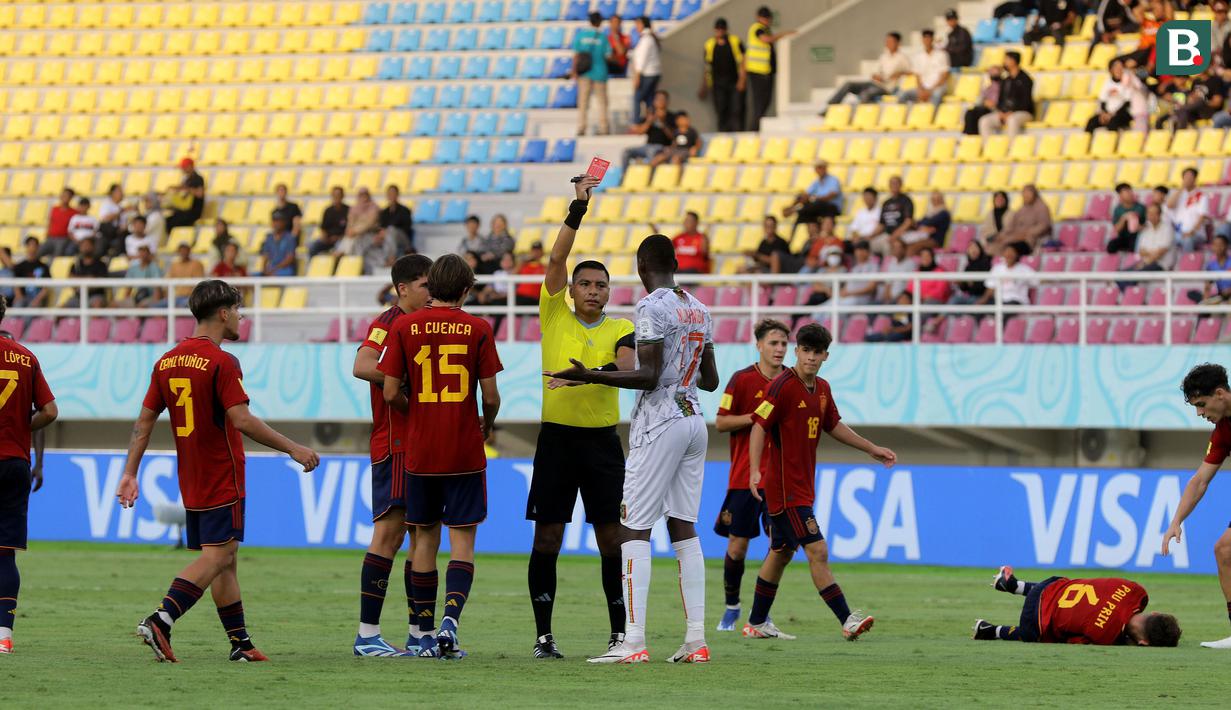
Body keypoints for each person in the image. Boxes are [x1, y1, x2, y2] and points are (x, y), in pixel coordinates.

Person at [117, 280, 320, 663]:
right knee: (219, 555)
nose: (242, 318)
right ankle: (162, 618)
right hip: (221, 473)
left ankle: (240, 643)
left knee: (225, 557)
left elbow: (144, 422)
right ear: (223, 313)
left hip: (191, 475)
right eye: (239, 311)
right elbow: (241, 420)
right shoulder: (222, 361)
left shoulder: (167, 361)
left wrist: (130, 472)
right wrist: (293, 447)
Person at [549, 234, 718, 665]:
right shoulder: (700, 308)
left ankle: (634, 640)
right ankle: (696, 639)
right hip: (694, 418)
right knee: (684, 526)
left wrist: (592, 376)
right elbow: (711, 378)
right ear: (675, 263)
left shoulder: (650, 307)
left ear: (643, 265)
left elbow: (647, 375)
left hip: (659, 422)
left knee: (633, 528)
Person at [526, 177, 636, 660]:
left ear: (610, 292)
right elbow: (554, 259)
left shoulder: (623, 326)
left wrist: (583, 376)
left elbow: (629, 369)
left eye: (601, 284)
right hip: (556, 442)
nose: (593, 290)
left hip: (602, 444)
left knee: (611, 538)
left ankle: (619, 634)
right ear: (570, 289)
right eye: (585, 283)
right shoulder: (555, 316)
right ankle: (544, 636)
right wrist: (577, 208)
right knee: (547, 536)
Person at [377, 255, 503, 659]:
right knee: (462, 540)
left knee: (425, 540)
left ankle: (425, 635)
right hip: (464, 450)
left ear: (432, 287)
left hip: (421, 452)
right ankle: (451, 622)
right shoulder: (479, 328)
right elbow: (492, 396)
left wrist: (420, 416)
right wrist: (486, 423)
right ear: (466, 289)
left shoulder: (403, 327)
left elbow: (391, 392)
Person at [743, 324, 895, 640]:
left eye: (817, 352)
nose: (811, 358)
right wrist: (755, 470)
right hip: (784, 490)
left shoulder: (822, 388)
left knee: (782, 552)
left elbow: (833, 425)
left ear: (826, 355)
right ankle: (846, 620)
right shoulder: (782, 386)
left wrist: (871, 448)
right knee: (818, 550)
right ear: (797, 351)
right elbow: (759, 426)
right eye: (806, 351)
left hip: (802, 487)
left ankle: (757, 622)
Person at [350, 254, 433, 658]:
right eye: (424, 285)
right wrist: (403, 381)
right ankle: (367, 635)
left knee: (420, 534)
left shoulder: (424, 325)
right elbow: (362, 365)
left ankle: (419, 634)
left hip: (419, 443)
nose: (431, 292)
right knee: (391, 532)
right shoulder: (388, 323)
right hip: (395, 443)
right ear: (403, 289)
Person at [712, 319, 789, 633]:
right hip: (744, 477)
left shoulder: (792, 382)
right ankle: (732, 607)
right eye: (773, 343)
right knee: (737, 547)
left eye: (784, 343)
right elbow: (721, 422)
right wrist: (756, 417)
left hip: (780, 481)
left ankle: (761, 616)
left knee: (780, 548)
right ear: (759, 345)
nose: (780, 349)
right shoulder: (741, 380)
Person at [0, 294, 58, 655]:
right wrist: (24, 429)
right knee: (5, 555)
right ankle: (3, 634)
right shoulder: (26, 357)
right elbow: (50, 411)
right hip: (14, 464)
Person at [1165, 363, 1231, 648]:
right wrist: (1176, 520)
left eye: (1202, 405)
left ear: (1220, 394)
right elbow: (1200, 481)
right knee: (1224, 550)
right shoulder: (1223, 430)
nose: (1200, 413)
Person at [973, 566, 1180, 646]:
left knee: (1069, 588)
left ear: (1154, 612)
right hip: (1033, 620)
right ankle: (991, 631)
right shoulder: (1105, 637)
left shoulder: (1137, 592)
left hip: (1050, 584)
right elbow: (1071, 640)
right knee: (1047, 634)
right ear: (1143, 643)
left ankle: (1013, 585)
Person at [745, 6, 795, 130]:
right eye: (764, 18)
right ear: (758, 17)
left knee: (765, 102)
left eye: (767, 18)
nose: (766, 20)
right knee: (759, 103)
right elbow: (766, 40)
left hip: (766, 71)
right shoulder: (757, 29)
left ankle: (758, 127)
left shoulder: (766, 29)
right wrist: (784, 34)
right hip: (757, 72)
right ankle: (754, 129)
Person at [828, 32, 911, 106]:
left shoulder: (902, 58)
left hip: (887, 88)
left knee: (866, 94)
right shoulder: (883, 56)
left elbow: (911, 72)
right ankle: (830, 107)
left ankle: (862, 116)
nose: (887, 44)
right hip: (874, 83)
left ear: (898, 43)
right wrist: (876, 75)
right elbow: (875, 71)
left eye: (890, 41)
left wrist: (900, 73)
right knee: (849, 84)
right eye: (887, 41)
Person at [700, 18, 746, 132]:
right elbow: (707, 67)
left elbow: (742, 62)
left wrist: (742, 80)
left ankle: (738, 132)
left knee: (736, 109)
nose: (720, 32)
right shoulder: (709, 44)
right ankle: (722, 134)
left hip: (734, 82)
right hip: (717, 83)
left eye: (722, 29)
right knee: (721, 109)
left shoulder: (735, 41)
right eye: (718, 29)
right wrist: (704, 86)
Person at [978, 51, 1034, 137]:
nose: (1004, 62)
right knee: (984, 121)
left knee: (1012, 120)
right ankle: (989, 148)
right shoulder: (1005, 80)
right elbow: (1001, 100)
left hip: (1023, 112)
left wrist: (1011, 112)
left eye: (1006, 59)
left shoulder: (1025, 80)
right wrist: (1001, 112)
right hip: (1005, 112)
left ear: (1013, 61)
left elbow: (1026, 102)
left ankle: (1012, 148)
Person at [573, 12, 611, 136]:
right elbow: (608, 55)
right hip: (600, 72)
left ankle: (581, 127)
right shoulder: (602, 37)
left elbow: (576, 55)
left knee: (583, 102)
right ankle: (604, 127)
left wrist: (574, 71)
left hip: (584, 73)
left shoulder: (581, 35)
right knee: (602, 102)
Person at [1087, 59, 1148, 133]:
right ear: (1111, 70)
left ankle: (1110, 143)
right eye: (1116, 67)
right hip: (1109, 113)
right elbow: (1103, 100)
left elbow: (1127, 103)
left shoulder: (1127, 80)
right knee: (1091, 122)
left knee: (1113, 123)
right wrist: (1104, 113)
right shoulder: (1107, 82)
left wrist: (1113, 114)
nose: (1119, 70)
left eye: (1120, 67)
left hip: (1122, 113)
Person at [783, 162, 843, 235]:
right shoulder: (816, 183)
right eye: (818, 168)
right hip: (818, 207)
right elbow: (806, 195)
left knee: (813, 205)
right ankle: (796, 209)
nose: (820, 170)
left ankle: (796, 210)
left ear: (825, 168)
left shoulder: (833, 180)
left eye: (821, 167)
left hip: (831, 207)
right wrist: (796, 202)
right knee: (808, 210)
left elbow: (832, 195)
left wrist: (816, 198)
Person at [622, 91, 675, 169]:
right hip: (647, 146)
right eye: (657, 99)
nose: (660, 101)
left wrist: (663, 122)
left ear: (667, 102)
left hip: (662, 147)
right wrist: (649, 121)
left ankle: (650, 178)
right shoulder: (650, 116)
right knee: (626, 152)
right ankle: (624, 177)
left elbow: (673, 136)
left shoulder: (671, 116)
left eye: (662, 99)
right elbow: (640, 132)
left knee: (652, 152)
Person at [1168, 65, 1227, 130]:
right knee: (1178, 112)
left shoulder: (1215, 80)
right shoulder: (1196, 82)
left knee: (1198, 102)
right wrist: (1192, 99)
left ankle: (1181, 131)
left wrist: (1202, 101)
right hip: (1195, 111)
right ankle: (1179, 135)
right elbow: (1191, 99)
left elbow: (1217, 103)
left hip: (1209, 111)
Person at [899, 29, 950, 105]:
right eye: (925, 38)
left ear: (932, 39)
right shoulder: (918, 57)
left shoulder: (942, 54)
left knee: (936, 95)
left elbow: (944, 75)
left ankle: (931, 116)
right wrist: (920, 90)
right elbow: (918, 76)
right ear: (922, 40)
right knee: (903, 95)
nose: (927, 40)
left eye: (929, 38)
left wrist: (931, 90)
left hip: (937, 87)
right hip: (923, 88)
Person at [869, 176, 913, 258]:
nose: (894, 185)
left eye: (896, 183)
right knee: (867, 245)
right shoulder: (886, 203)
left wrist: (894, 236)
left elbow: (908, 222)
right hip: (886, 234)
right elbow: (881, 225)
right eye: (892, 183)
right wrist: (870, 236)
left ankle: (888, 269)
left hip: (902, 234)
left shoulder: (906, 200)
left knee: (888, 245)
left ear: (901, 185)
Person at [980, 240, 1035, 306]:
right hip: (998, 301)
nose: (1009, 254)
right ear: (1003, 254)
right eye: (1007, 251)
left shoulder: (1025, 269)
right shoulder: (997, 268)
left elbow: (1038, 281)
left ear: (1017, 254)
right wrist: (983, 300)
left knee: (1009, 306)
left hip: (1016, 301)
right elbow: (990, 288)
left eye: (1012, 252)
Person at [1167, 167, 1209, 253]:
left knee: (1187, 240)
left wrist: (1192, 232)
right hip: (1179, 233)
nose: (1187, 180)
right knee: (1165, 240)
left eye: (1190, 177)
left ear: (1195, 179)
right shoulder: (1179, 195)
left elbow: (1202, 217)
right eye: (1185, 177)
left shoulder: (1201, 196)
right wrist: (1181, 189)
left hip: (1196, 233)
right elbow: (1169, 205)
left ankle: (1187, 264)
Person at [999, 185, 1052, 251]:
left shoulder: (1042, 208)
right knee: (998, 243)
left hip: (1033, 239)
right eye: (1024, 194)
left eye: (1028, 194)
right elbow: (1011, 225)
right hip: (1017, 236)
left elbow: (1044, 225)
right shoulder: (1021, 209)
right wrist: (1002, 234)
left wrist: (1027, 233)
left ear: (1034, 194)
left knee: (1011, 248)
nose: (1025, 196)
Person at [629, 16, 662, 125]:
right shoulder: (649, 38)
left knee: (637, 98)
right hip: (652, 73)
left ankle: (636, 122)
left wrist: (637, 76)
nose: (636, 27)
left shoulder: (646, 39)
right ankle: (650, 121)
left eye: (638, 24)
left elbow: (642, 59)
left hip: (647, 74)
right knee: (649, 99)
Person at [900, 191, 951, 255]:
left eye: (937, 199)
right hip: (924, 237)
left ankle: (908, 263)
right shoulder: (931, 212)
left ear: (941, 200)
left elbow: (927, 223)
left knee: (915, 246)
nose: (935, 201)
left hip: (935, 240)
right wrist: (923, 227)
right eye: (933, 199)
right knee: (902, 244)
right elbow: (921, 223)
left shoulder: (944, 213)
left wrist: (923, 226)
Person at [165, 157, 206, 230]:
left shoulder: (198, 178)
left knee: (171, 223)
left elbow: (200, 194)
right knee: (167, 220)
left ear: (190, 166)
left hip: (193, 211)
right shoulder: (187, 179)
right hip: (184, 210)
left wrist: (187, 189)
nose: (182, 169)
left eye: (184, 167)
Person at [66, 237, 108, 308]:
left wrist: (79, 281)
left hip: (96, 296)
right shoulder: (76, 265)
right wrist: (89, 279)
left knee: (97, 304)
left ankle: (94, 319)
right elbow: (71, 279)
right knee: (62, 309)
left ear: (93, 247)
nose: (86, 247)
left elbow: (98, 282)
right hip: (78, 296)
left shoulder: (101, 265)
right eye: (83, 245)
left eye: (88, 245)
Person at [949, 240, 993, 305]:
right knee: (954, 299)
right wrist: (960, 283)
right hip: (969, 297)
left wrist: (972, 283)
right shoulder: (968, 267)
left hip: (980, 297)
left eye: (975, 247)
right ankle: (941, 315)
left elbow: (987, 285)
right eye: (970, 248)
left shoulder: (986, 264)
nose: (973, 250)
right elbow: (965, 288)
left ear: (980, 249)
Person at [163, 243, 206, 308]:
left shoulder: (197, 264)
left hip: (190, 297)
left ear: (189, 251)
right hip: (176, 298)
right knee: (156, 306)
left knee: (182, 306)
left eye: (185, 250)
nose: (183, 252)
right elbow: (167, 282)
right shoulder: (174, 265)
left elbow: (199, 285)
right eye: (181, 250)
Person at [963, 66, 1003, 135]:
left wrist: (993, 104)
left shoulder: (1003, 85)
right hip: (985, 107)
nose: (993, 74)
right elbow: (980, 99)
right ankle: (971, 135)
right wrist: (984, 102)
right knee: (970, 112)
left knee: (975, 114)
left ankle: (972, 135)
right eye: (991, 72)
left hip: (994, 109)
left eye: (995, 72)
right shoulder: (988, 87)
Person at [1108, 183, 1146, 253]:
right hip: (1123, 237)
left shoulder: (1141, 207)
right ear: (1120, 195)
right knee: (1111, 246)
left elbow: (1147, 225)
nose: (1130, 194)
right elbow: (1117, 229)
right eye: (1126, 192)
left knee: (1134, 245)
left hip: (1137, 236)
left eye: (1130, 191)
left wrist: (1138, 226)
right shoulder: (1118, 209)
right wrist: (1124, 218)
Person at [11, 238, 49, 309]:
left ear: (38, 247)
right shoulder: (19, 266)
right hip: (22, 298)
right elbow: (15, 285)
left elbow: (45, 288)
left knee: (30, 311)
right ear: (26, 247)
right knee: (17, 306)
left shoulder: (44, 267)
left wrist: (37, 300)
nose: (32, 248)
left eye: (34, 245)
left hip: (37, 299)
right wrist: (19, 297)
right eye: (30, 245)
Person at [342, 187, 381, 256]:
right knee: (348, 239)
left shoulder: (374, 207)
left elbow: (369, 223)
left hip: (369, 233)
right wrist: (349, 230)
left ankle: (345, 255)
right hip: (354, 234)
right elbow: (350, 222)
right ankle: (343, 255)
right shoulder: (354, 208)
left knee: (356, 241)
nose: (363, 197)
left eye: (365, 194)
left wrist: (355, 231)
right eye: (361, 195)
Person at [878, 238, 917, 304]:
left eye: (899, 247)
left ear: (904, 249)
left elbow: (910, 286)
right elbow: (888, 283)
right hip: (890, 298)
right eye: (894, 247)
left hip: (902, 299)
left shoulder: (911, 264)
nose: (896, 250)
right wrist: (886, 296)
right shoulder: (891, 264)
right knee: (872, 305)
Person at [41, 188, 77, 258]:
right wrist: (47, 233)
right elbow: (50, 222)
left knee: (57, 256)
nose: (65, 197)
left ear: (71, 198)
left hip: (63, 239)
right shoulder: (54, 209)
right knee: (38, 251)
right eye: (64, 195)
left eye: (67, 196)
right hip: (51, 238)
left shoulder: (74, 212)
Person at [379, 184, 414, 256]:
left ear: (397, 194)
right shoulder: (384, 212)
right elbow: (382, 227)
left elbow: (407, 228)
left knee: (391, 230)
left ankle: (391, 257)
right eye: (389, 194)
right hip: (388, 236)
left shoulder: (404, 210)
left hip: (403, 238)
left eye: (393, 193)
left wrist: (388, 230)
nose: (391, 195)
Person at [315, 186, 349, 257]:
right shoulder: (327, 211)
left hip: (342, 239)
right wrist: (325, 237)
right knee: (312, 246)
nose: (336, 197)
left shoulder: (348, 210)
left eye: (338, 195)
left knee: (339, 249)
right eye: (334, 195)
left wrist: (339, 237)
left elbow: (350, 228)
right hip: (328, 239)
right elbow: (323, 227)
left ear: (342, 196)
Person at [515, 241, 546, 306]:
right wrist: (526, 260)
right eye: (534, 251)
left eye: (538, 251)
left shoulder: (544, 267)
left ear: (542, 253)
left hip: (536, 298)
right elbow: (513, 274)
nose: (536, 253)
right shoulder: (523, 265)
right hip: (521, 297)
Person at [98, 183, 125, 256]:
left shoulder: (120, 206)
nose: (122, 193)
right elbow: (105, 219)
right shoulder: (106, 204)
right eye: (120, 191)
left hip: (118, 234)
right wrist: (120, 213)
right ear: (113, 193)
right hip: (108, 235)